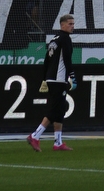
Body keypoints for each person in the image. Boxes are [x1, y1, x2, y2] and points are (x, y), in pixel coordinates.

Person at [26, 13, 76, 152]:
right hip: (59, 79)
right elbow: (67, 59)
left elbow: (47, 60)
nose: (72, 26)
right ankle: (35, 136)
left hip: (52, 78)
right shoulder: (65, 39)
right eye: (70, 24)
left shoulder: (54, 39)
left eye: (73, 24)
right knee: (55, 109)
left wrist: (44, 78)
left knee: (59, 110)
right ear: (62, 25)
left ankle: (58, 142)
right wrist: (72, 76)